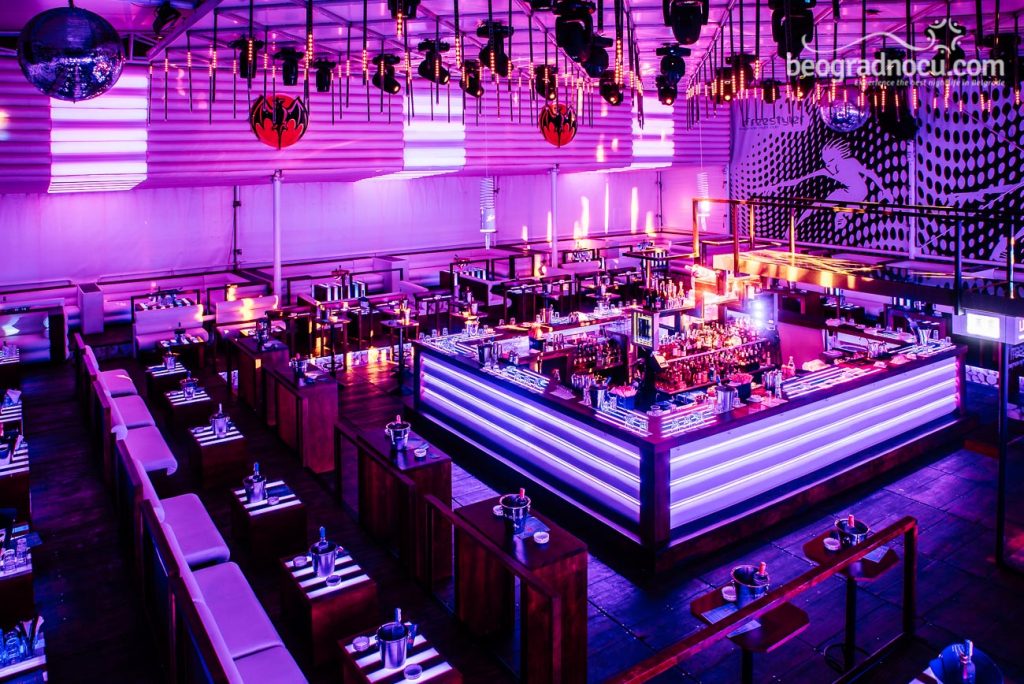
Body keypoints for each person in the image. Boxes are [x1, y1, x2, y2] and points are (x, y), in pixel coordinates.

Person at [756, 140, 895, 232]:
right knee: (817, 204)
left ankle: (846, 213)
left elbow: (869, 173)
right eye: (826, 162)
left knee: (845, 207)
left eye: (832, 161)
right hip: (846, 192)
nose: (829, 165)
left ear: (840, 157)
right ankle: (794, 226)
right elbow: (798, 181)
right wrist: (773, 187)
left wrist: (884, 190)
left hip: (860, 192)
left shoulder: (850, 162)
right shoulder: (826, 170)